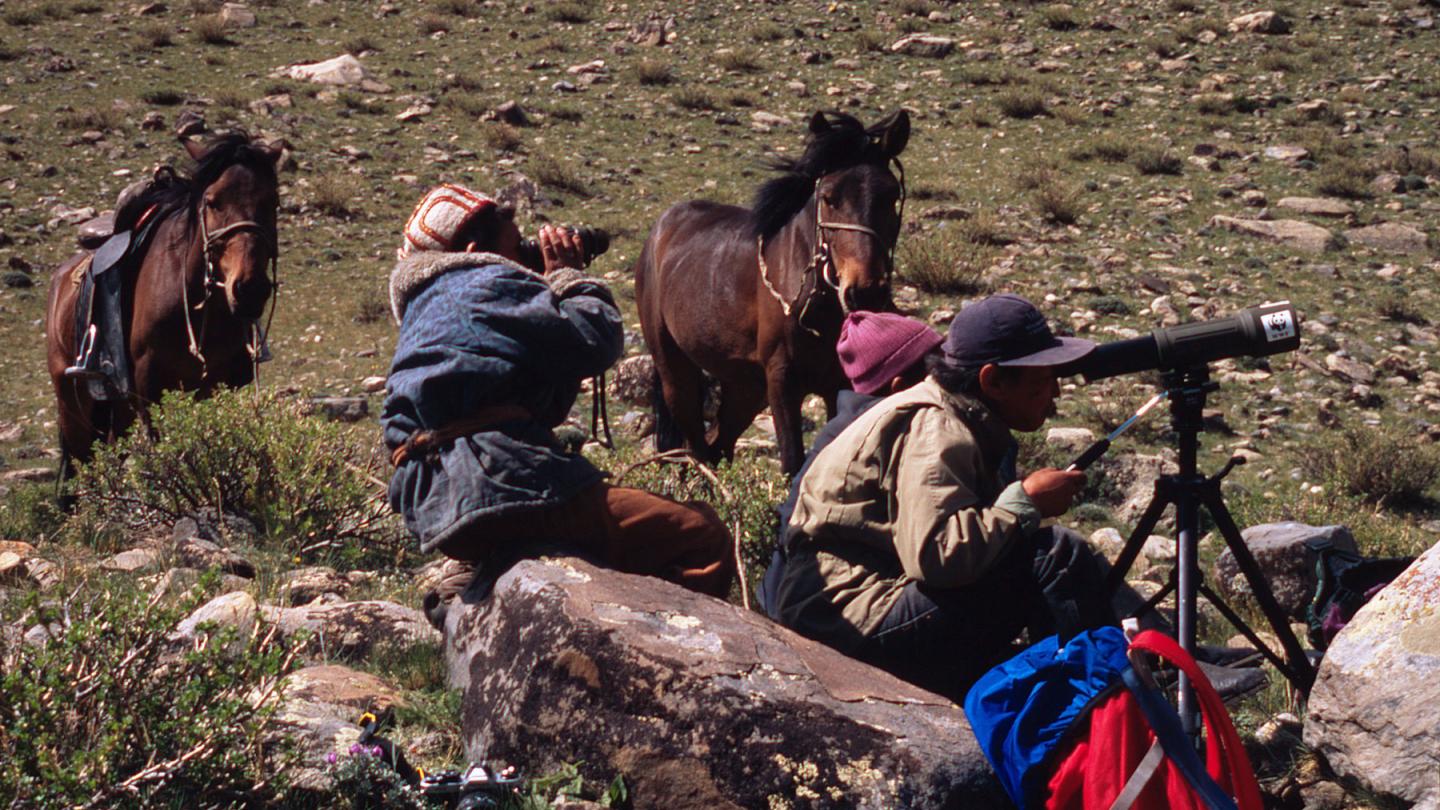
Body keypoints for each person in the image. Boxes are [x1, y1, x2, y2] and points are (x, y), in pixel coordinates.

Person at [382, 184, 735, 625]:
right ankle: (678, 662)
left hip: (431, 499)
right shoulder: (483, 280)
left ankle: (481, 572)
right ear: (473, 249)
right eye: (516, 246)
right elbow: (594, 339)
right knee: (699, 534)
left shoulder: (426, 306)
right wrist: (568, 275)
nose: (524, 256)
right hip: (496, 483)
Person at [770, 294, 1122, 700]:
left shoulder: (951, 414)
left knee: (1034, 559)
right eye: (1041, 381)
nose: (1055, 394)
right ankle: (1099, 702)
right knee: (1054, 556)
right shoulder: (936, 426)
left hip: (850, 610)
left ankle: (1075, 692)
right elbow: (939, 556)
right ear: (991, 380)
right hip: (850, 618)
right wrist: (1025, 502)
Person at [757, 310, 943, 617]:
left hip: (783, 595)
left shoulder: (846, 427)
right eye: (932, 372)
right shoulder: (881, 434)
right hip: (818, 608)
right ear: (898, 387)